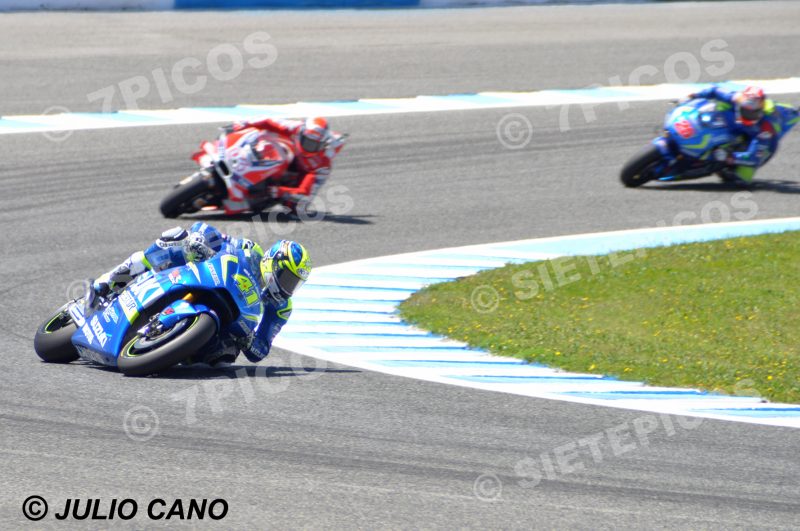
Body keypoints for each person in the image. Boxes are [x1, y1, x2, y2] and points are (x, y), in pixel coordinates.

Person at [94, 222, 311, 365]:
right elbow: (213, 234)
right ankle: (112, 280)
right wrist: (200, 239)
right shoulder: (250, 250)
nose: (288, 287)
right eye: (287, 278)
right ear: (273, 263)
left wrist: (249, 341)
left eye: (295, 284)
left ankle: (174, 351)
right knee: (175, 237)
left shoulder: (281, 308)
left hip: (230, 323)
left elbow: (260, 351)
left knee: (224, 360)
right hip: (205, 277)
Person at [228, 117, 342, 215]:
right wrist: (245, 123)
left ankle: (254, 198)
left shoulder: (321, 164)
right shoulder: (296, 128)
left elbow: (305, 191)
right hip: (285, 154)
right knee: (258, 132)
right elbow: (268, 121)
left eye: (314, 145)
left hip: (301, 177)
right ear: (302, 134)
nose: (309, 148)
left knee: (296, 207)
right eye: (307, 142)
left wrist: (280, 191)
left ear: (322, 146)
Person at [686, 85, 788, 185]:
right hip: (737, 129)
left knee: (742, 180)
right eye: (745, 111)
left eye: (753, 113)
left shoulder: (765, 129)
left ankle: (728, 168)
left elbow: (754, 157)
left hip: (761, 147)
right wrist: (695, 95)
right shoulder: (735, 98)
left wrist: (730, 157)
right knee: (716, 110)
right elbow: (714, 90)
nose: (749, 116)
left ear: (761, 110)